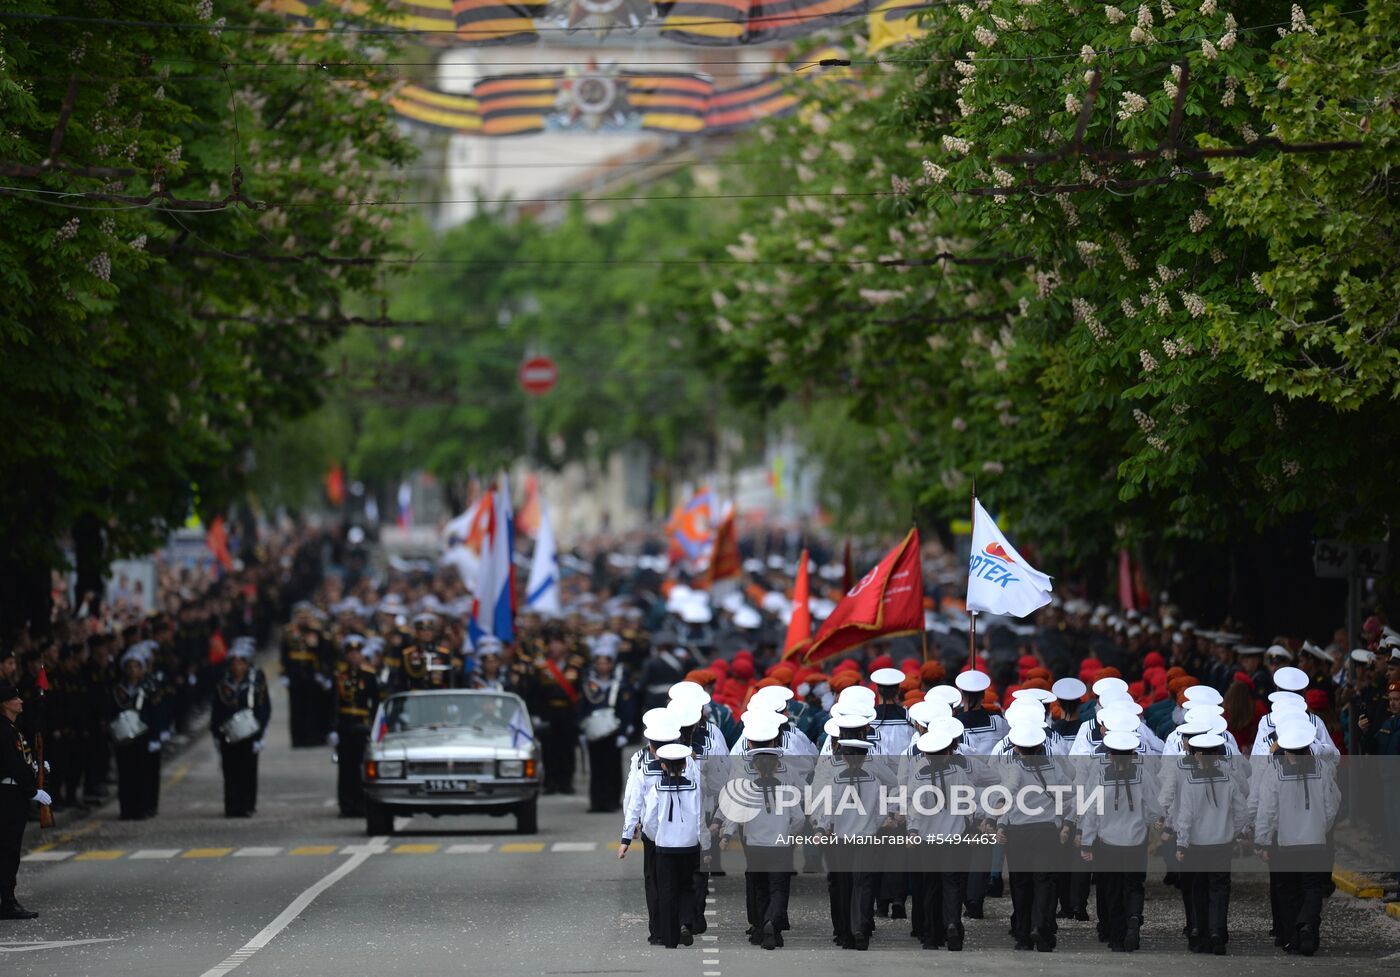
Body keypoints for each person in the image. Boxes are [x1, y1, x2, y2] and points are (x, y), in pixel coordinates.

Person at [1253, 717, 1341, 956]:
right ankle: (1307, 925)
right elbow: (1332, 803)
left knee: (1289, 890)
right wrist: (1322, 826)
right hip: (1315, 839)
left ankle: (1295, 934)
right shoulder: (1322, 769)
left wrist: (1261, 839)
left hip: (1287, 842)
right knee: (1312, 887)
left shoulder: (1275, 772)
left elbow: (1267, 810)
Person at [718, 713, 803, 950]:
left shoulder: (747, 789)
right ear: (776, 765)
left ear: (755, 765)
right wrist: (790, 834)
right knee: (779, 888)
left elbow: (735, 815)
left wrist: (726, 835)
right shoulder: (787, 790)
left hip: (755, 845)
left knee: (759, 887)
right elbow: (798, 818)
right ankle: (771, 924)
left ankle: (760, 929)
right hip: (779, 845)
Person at [1077, 729, 1161, 952]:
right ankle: (1134, 917)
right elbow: (1154, 810)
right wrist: (1149, 820)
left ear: (1111, 755)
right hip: (1136, 840)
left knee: (1112, 890)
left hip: (1108, 843)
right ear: (1133, 753)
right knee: (1134, 885)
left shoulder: (1099, 776)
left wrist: (1086, 841)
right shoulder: (1143, 775)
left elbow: (1092, 812)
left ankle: (1116, 937)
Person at [621, 738, 709, 949]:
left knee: (664, 888)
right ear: (685, 764)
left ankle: (668, 937)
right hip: (689, 845)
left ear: (662, 763)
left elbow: (647, 815)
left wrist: (654, 837)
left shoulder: (654, 785)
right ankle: (685, 922)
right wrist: (705, 844)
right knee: (687, 885)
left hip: (663, 846)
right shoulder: (694, 784)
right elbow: (700, 819)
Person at [1169, 731, 1248, 955]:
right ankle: (1217, 932)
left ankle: (1199, 931)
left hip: (1196, 845)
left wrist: (1181, 844)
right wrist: (1234, 832)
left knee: (1198, 889)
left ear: (1196, 756)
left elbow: (1185, 817)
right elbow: (1241, 812)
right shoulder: (1229, 780)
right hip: (1222, 843)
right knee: (1219, 889)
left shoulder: (1189, 783)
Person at [1, 682, 48, 920]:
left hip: (13, 794)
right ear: (5, 703)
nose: (20, 701)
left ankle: (7, 899)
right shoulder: (5, 730)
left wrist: (37, 767)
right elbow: (12, 764)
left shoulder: (12, 728)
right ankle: (7, 902)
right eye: (15, 698)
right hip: (8, 796)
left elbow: (22, 759)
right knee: (8, 851)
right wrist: (32, 790)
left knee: (10, 850)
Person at [210, 638, 271, 818]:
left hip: (249, 732)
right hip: (228, 733)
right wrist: (215, 732)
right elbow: (217, 708)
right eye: (234, 662)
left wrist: (261, 732)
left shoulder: (255, 680)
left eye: (241, 662)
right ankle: (231, 805)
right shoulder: (223, 682)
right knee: (230, 771)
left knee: (247, 770)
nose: (237, 666)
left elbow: (263, 706)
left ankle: (246, 804)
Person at [107, 643, 165, 820]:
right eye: (129, 666)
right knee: (125, 774)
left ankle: (142, 808)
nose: (132, 670)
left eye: (136, 666)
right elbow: (111, 710)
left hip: (143, 736)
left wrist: (156, 737)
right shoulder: (118, 689)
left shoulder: (149, 688)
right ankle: (126, 809)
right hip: (124, 737)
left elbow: (156, 714)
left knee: (142, 774)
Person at [579, 636, 635, 814]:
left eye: (606, 663)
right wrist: (581, 728)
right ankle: (596, 802)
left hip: (613, 729)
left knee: (612, 767)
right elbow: (582, 706)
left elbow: (627, 708)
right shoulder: (589, 683)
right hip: (594, 730)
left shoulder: (620, 682)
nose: (602, 666)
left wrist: (624, 732)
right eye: (599, 663)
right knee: (595, 767)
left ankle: (612, 800)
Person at [329, 635, 379, 818]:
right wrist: (333, 728)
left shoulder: (369, 675)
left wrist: (375, 727)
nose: (354, 657)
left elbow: (376, 702)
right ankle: (346, 804)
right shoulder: (339, 675)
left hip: (362, 726)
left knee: (361, 767)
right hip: (345, 726)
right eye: (351, 653)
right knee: (345, 768)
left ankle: (361, 804)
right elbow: (333, 702)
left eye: (357, 653)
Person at [530, 626, 585, 795]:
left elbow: (581, 691)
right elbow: (535, 692)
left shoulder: (575, 665)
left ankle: (566, 782)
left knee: (567, 749)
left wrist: (580, 714)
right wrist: (536, 714)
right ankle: (550, 782)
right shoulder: (542, 666)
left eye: (559, 643)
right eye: (552, 644)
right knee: (549, 749)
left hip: (568, 712)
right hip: (549, 711)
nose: (556, 647)